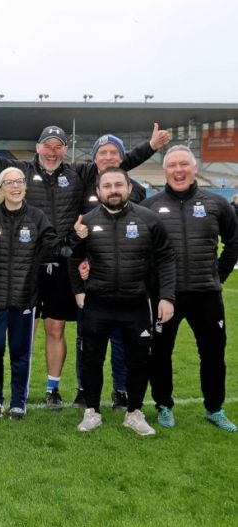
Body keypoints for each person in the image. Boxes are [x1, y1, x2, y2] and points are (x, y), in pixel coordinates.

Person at [0, 112, 168, 410]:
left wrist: (150, 147)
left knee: (56, 329)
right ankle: (7, 393)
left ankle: (53, 388)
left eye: (58, 146)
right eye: (47, 145)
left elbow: (115, 167)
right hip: (26, 265)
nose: (52, 151)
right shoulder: (21, 170)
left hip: (63, 262)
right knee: (24, 330)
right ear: (38, 147)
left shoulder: (78, 173)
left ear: (65, 150)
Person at [69, 167, 176, 436]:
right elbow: (72, 257)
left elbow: (165, 258)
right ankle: (91, 411)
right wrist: (79, 291)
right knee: (92, 358)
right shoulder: (87, 222)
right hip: (98, 304)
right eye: (107, 185)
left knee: (139, 360)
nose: (113, 190)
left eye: (119, 184)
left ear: (129, 188)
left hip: (136, 304)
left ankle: (134, 412)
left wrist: (166, 297)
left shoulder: (149, 220)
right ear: (98, 191)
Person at [142, 146, 238, 432]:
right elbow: (143, 253)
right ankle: (164, 405)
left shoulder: (216, 204)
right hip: (166, 297)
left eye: (184, 164)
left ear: (195, 169)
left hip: (206, 294)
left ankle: (214, 408)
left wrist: (217, 276)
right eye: (172, 165)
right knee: (159, 353)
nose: (178, 170)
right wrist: (153, 287)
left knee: (212, 353)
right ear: (165, 171)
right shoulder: (151, 207)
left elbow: (233, 242)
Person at [0, 166, 72, 420]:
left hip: (25, 299)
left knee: (20, 352)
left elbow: (54, 246)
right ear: (1, 188)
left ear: (25, 186)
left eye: (20, 181)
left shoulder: (37, 217)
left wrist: (74, 238)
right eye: (9, 183)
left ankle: (18, 401)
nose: (15, 186)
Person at [73, 134, 149, 410]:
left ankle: (121, 390)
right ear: (94, 158)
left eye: (112, 153)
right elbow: (77, 230)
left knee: (122, 341)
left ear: (121, 158)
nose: (107, 157)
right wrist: (82, 259)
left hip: (128, 281)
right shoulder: (83, 187)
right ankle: (84, 390)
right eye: (102, 153)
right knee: (87, 340)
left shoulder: (136, 190)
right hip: (93, 280)